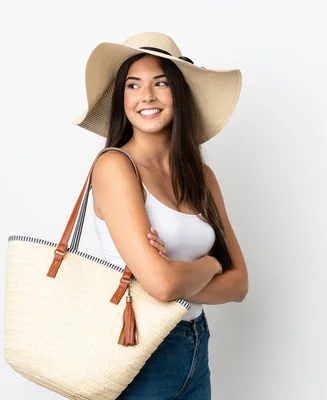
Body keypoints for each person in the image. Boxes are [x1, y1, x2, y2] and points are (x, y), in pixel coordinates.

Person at [75, 32, 248, 399]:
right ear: (122, 99)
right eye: (133, 85)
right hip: (140, 350)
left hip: (195, 345)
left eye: (160, 83)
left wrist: (176, 272)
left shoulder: (201, 176)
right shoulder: (115, 167)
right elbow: (163, 285)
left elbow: (240, 285)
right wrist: (211, 265)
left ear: (179, 95)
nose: (147, 96)